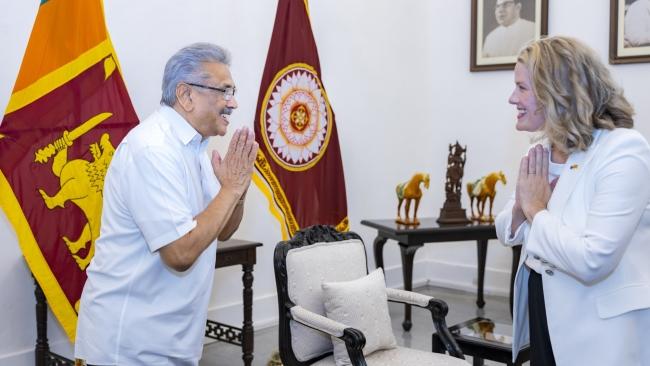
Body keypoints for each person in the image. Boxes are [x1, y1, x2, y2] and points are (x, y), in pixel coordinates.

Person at [74, 43, 258, 365]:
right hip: (130, 346)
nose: (233, 103)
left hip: (172, 341)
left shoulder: (196, 148)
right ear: (186, 95)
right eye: (224, 91)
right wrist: (229, 189)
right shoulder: (153, 149)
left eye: (233, 91)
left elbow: (223, 229)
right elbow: (180, 254)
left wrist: (237, 189)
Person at [495, 36, 650, 365]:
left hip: (600, 330)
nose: (512, 98)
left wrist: (536, 209)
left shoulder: (623, 151)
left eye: (521, 88)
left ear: (556, 91)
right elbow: (506, 227)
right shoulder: (540, 149)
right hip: (544, 310)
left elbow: (593, 260)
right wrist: (528, 208)